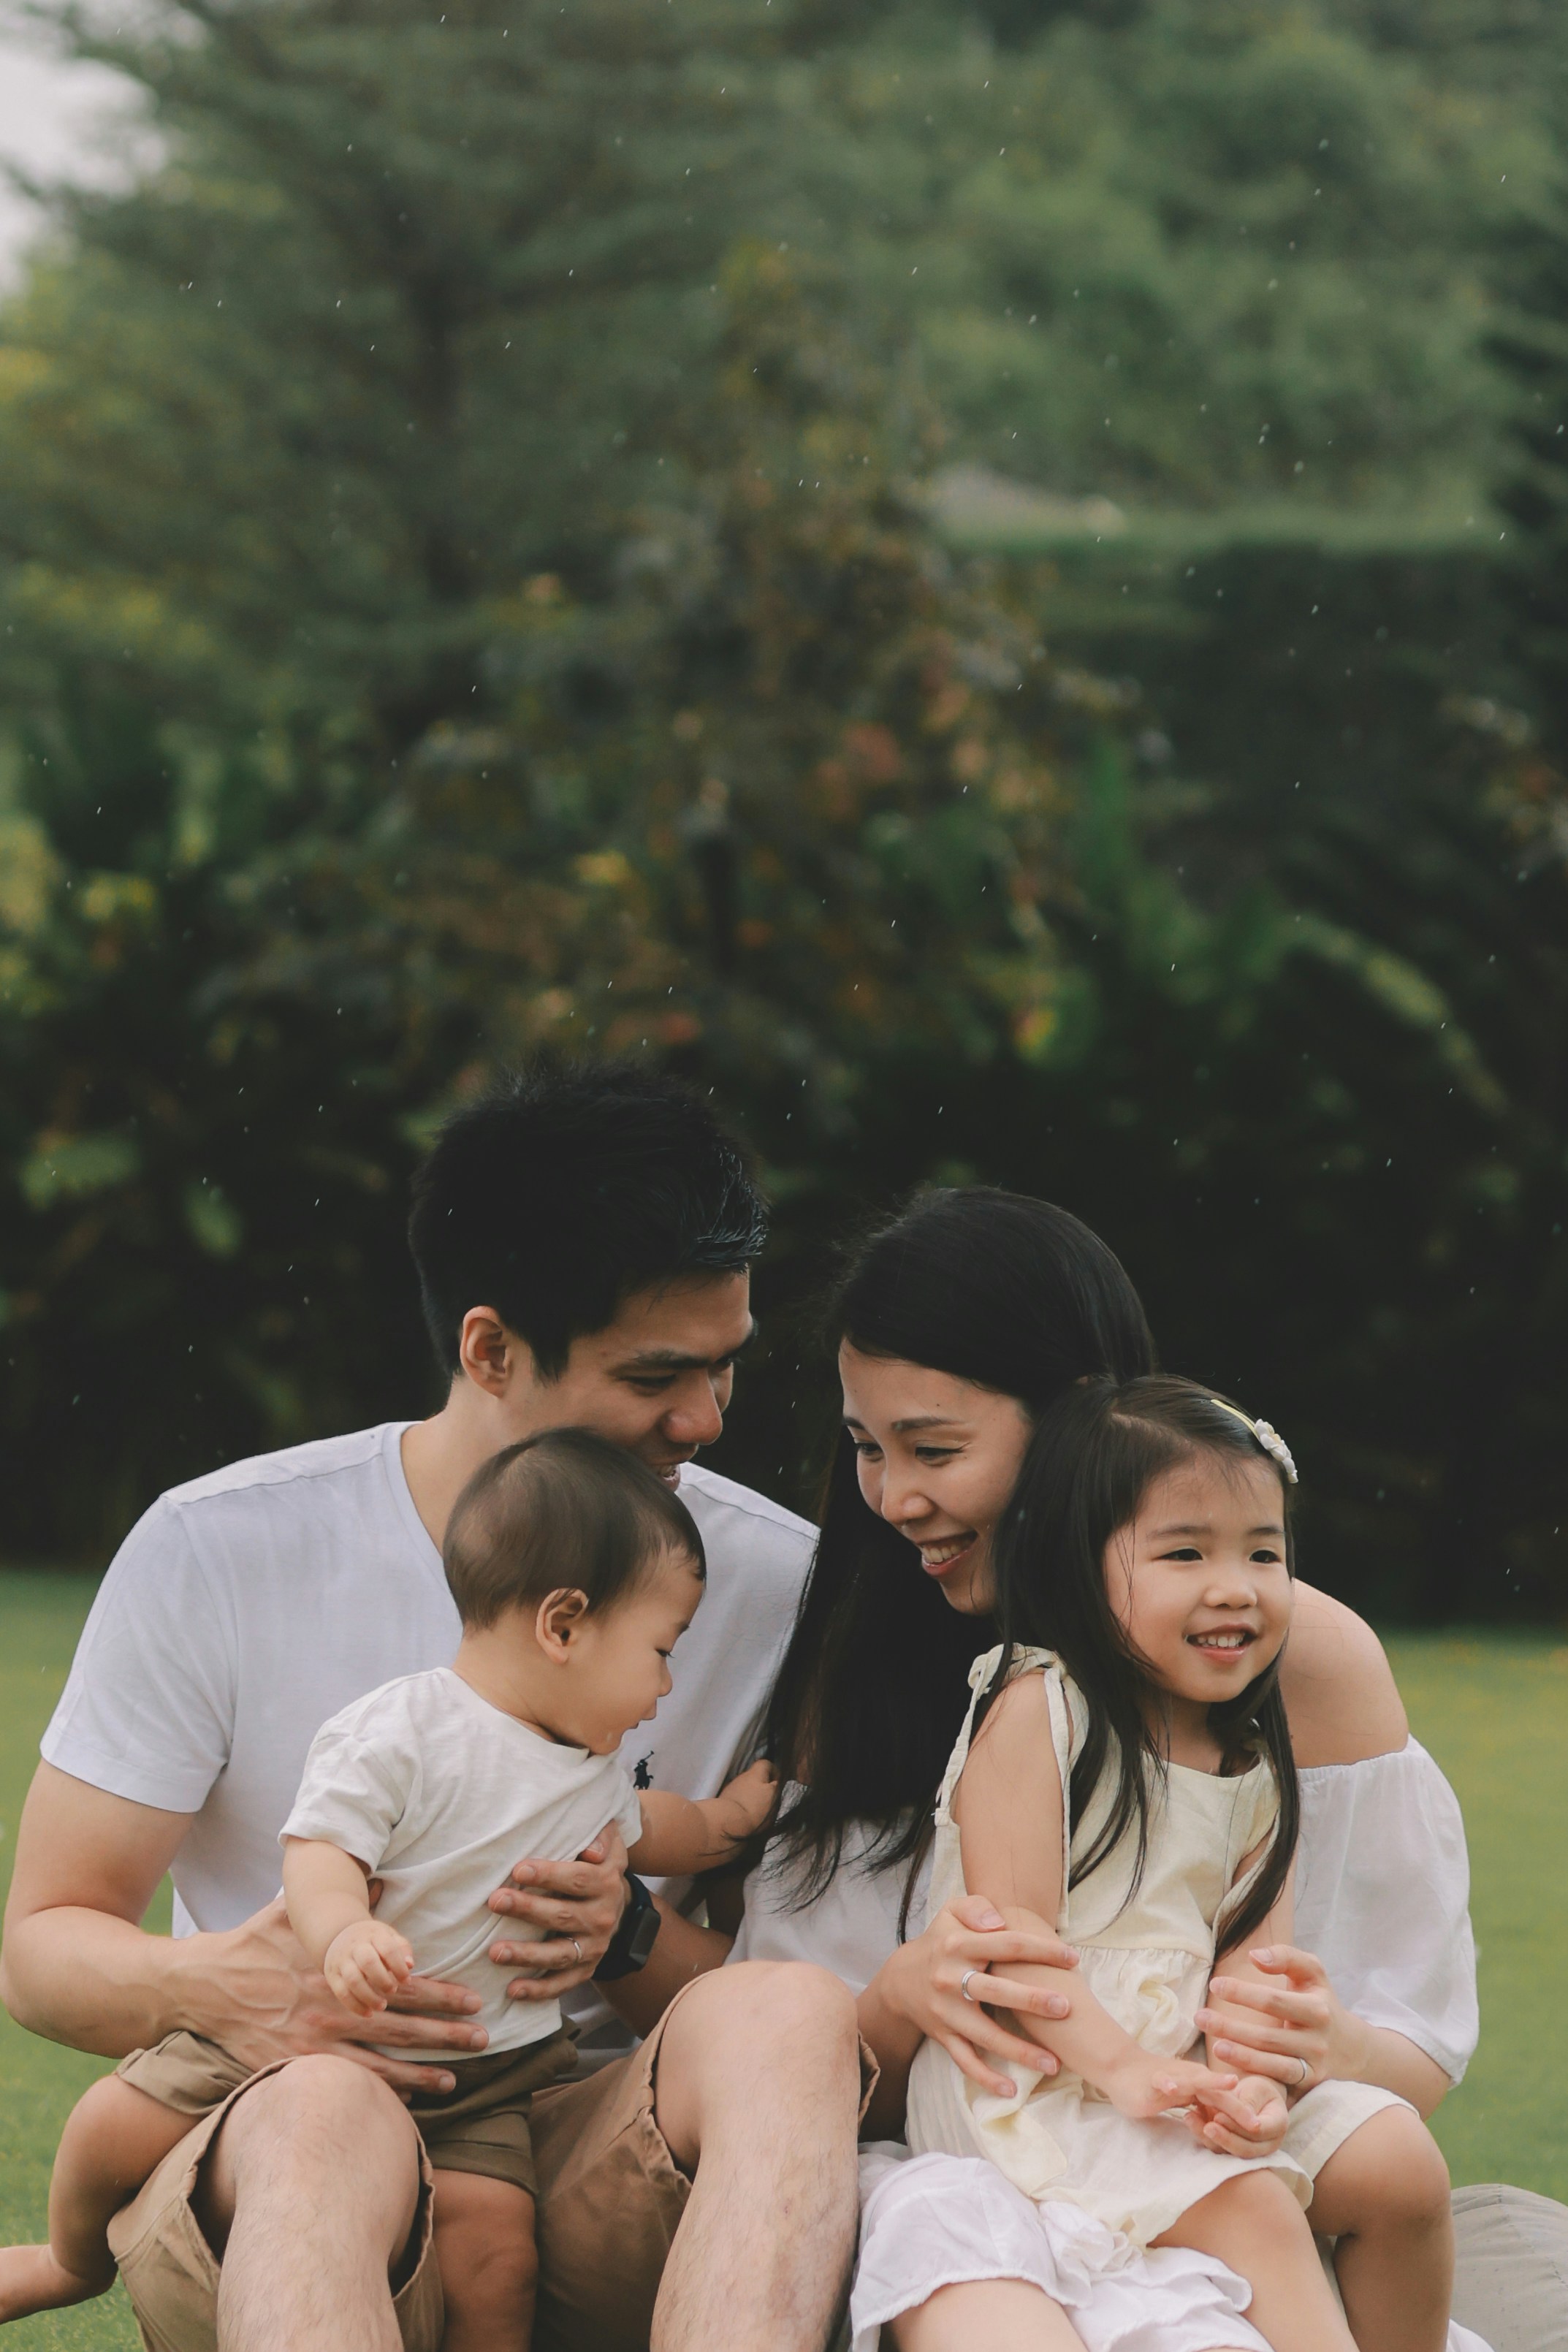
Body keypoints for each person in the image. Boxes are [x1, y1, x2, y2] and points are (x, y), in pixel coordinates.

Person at [0, 1065, 867, 2352]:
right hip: (278, 2150)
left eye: (725, 1368)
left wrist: (621, 1936)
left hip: (567, 2158)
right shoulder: (222, 1546)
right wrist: (228, 1984)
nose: (704, 1418)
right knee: (328, 2112)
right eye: (657, 1375)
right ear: (490, 1347)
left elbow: (769, 1989)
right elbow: (44, 1945)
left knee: (792, 2011)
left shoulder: (779, 1583)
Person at [693, 1184, 1550, 2352]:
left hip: (1225, 2139)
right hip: (995, 2155)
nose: (893, 1498)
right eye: (864, 1447)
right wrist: (905, 2000)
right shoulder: (896, 1673)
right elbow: (802, 2094)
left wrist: (1306, 2043)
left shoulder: (1281, 1672)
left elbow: (1403, 2038)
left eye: (934, 1447)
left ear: (1082, 1433)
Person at [0, 1429, 778, 2350]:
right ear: (562, 1626)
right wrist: (341, 1937)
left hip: (480, 2080)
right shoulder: (404, 1728)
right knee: (111, 2124)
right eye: (659, 1650)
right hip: (310, 2033)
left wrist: (739, 1813)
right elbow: (323, 1849)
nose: (665, 1686)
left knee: (497, 2258)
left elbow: (673, 1828)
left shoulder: (591, 1773)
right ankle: (68, 2258)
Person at [897, 1376, 1453, 2352]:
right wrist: (1126, 2068)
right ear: (1082, 1569)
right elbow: (1008, 1952)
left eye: (1262, 1552)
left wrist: (1255, 2087)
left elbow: (1254, 1972)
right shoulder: (1041, 1709)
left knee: (1399, 2159)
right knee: (1256, 2210)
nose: (1234, 1583)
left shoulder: (1251, 1755)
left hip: (1180, 2070)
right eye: (1184, 1551)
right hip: (1039, 2075)